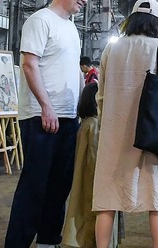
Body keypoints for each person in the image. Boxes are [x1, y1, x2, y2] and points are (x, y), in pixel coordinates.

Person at [93, 0, 158, 248]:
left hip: (114, 134)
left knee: (107, 201)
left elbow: (101, 95)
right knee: (156, 201)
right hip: (153, 134)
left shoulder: (111, 50)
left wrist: (104, 126)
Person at [5, 0, 90, 248]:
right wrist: (46, 106)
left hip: (67, 117)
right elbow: (30, 64)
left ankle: (48, 241)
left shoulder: (72, 28)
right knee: (35, 185)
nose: (84, 0)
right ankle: (17, 243)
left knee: (59, 185)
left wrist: (82, 106)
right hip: (41, 116)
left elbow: (75, 70)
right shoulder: (40, 20)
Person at [62, 82, 103, 248]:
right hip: (92, 178)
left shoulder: (85, 123)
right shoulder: (94, 125)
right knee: (90, 213)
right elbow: (94, 157)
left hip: (83, 175)